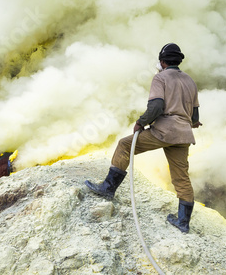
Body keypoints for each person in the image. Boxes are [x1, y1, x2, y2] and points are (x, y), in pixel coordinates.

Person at [85, 43, 201, 233]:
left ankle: (108, 188)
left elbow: (156, 107)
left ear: (162, 62)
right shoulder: (190, 81)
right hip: (183, 135)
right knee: (181, 177)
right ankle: (183, 222)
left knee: (124, 145)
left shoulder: (160, 78)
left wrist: (141, 122)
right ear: (178, 61)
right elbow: (194, 115)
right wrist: (193, 122)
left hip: (164, 132)